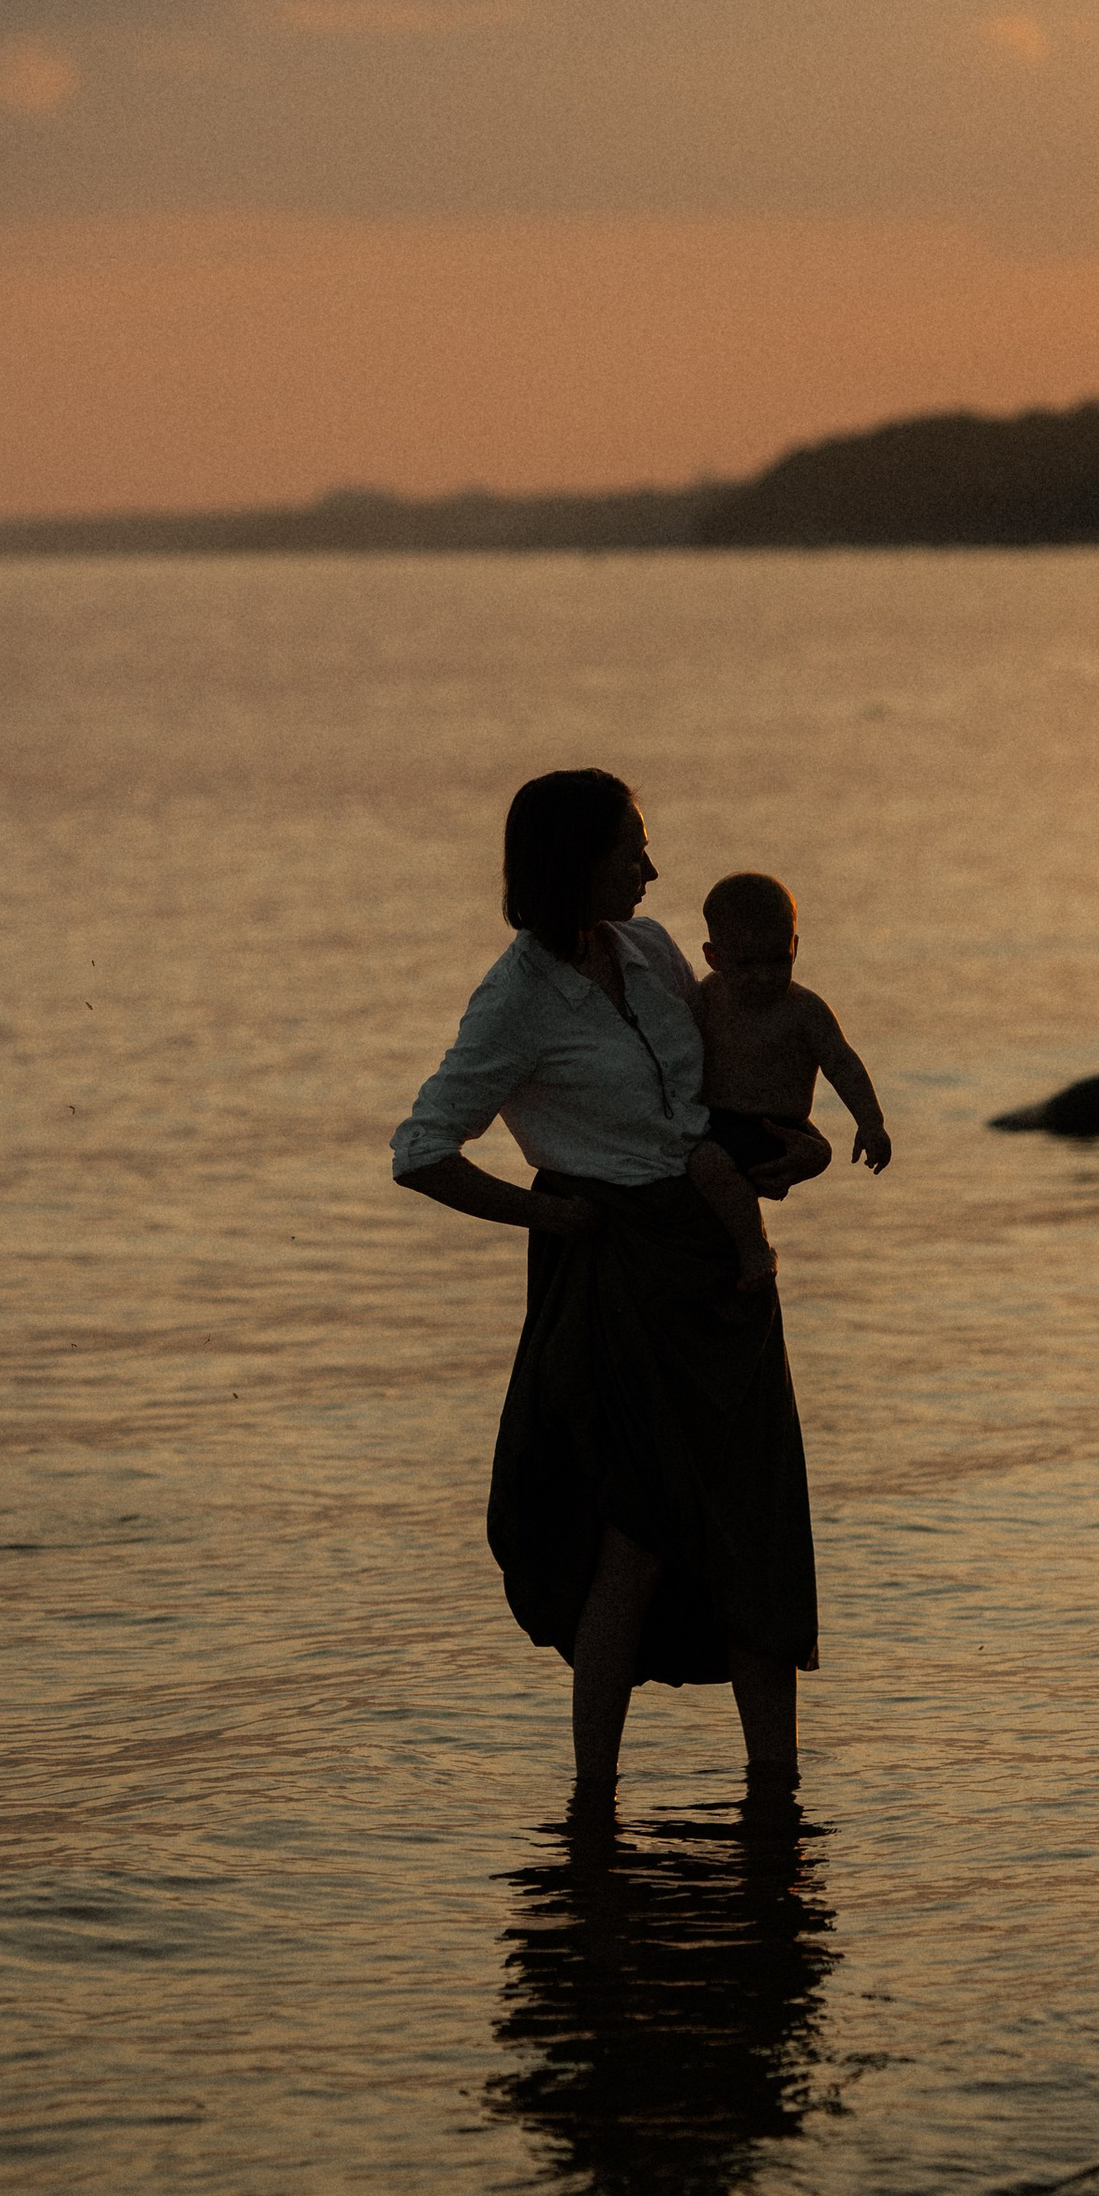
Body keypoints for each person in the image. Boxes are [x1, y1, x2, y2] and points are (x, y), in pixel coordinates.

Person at [391, 770, 818, 1810]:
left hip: (720, 1264)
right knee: (634, 1529)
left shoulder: (654, 948)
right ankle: (593, 1799)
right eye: (633, 847)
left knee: (756, 1520)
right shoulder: (515, 998)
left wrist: (788, 1143)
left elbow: (716, 1091)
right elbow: (420, 1149)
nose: (653, 865)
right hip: (614, 1269)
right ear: (576, 862)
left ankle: (777, 1793)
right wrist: (544, 1213)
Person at [684, 871, 891, 1284]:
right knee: (706, 1162)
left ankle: (755, 1247)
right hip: (718, 1122)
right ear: (713, 957)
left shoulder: (805, 1011)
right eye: (745, 963)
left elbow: (843, 1064)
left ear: (795, 947)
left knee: (799, 1154)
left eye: (778, 959)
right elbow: (674, 1049)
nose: (763, 975)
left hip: (781, 1128)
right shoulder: (707, 997)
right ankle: (754, 1244)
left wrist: (871, 1122)